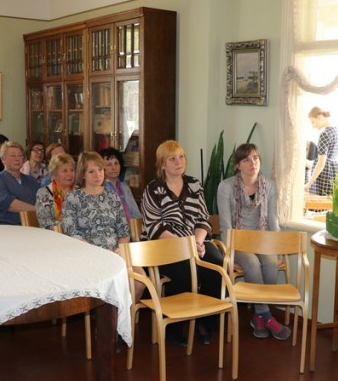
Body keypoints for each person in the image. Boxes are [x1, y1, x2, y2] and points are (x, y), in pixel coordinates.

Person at [142, 140, 223, 346]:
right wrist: (185, 246)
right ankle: (173, 327)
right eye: (172, 159)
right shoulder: (153, 189)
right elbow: (155, 227)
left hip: (196, 241)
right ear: (162, 164)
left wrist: (197, 241)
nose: (179, 162)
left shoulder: (194, 184)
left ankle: (205, 322)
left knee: (216, 263)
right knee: (185, 270)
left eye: (181, 157)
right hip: (165, 245)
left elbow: (203, 219)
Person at [216, 143, 290, 340]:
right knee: (253, 264)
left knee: (271, 264)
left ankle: (259, 317)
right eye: (246, 160)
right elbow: (226, 226)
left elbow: (273, 221)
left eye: (255, 158)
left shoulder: (269, 185)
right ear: (238, 165)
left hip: (262, 240)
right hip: (237, 241)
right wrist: (230, 250)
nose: (252, 163)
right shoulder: (226, 187)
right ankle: (267, 316)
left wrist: (277, 248)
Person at [63, 152, 144, 302]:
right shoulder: (73, 197)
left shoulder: (112, 196)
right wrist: (97, 253)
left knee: (140, 281)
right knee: (110, 285)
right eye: (91, 171)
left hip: (115, 252)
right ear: (83, 174)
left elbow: (123, 229)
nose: (97, 175)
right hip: (88, 254)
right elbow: (71, 231)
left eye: (100, 169)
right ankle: (109, 312)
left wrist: (120, 248)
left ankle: (125, 314)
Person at [0, 141, 40, 225]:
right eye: (13, 156)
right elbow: (9, 204)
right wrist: (38, 209)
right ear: (3, 159)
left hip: (33, 225)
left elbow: (42, 200)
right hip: (6, 226)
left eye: (20, 155)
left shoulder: (31, 180)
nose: (17, 159)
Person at [305, 107, 338, 195]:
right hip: (334, 170)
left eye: (313, 122)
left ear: (319, 117)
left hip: (324, 173)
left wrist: (309, 184)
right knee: (330, 200)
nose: (313, 126)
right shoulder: (336, 131)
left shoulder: (324, 134)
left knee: (319, 200)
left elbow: (321, 163)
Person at [35, 153, 76, 231]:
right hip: (53, 235)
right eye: (65, 171)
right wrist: (70, 224)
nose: (70, 174)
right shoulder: (43, 193)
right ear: (53, 174)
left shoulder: (80, 192)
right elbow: (46, 224)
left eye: (72, 170)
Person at [99, 148, 141, 221]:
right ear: (101, 168)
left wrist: (138, 226)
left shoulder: (125, 187)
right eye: (109, 165)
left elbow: (136, 213)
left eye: (116, 163)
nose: (114, 168)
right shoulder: (100, 189)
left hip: (131, 226)